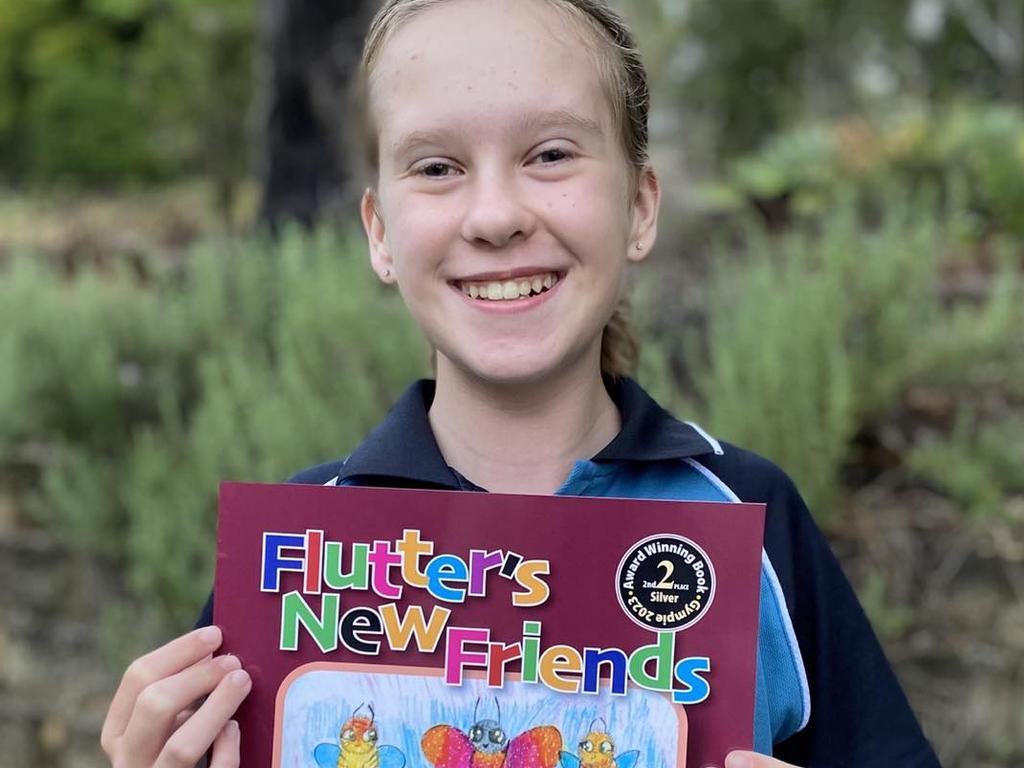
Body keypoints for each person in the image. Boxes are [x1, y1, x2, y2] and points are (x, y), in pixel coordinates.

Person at [100, 1, 942, 767]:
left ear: (641, 207)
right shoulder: (300, 557)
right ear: (380, 232)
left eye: (550, 154)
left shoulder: (747, 518)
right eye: (436, 167)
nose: (496, 215)